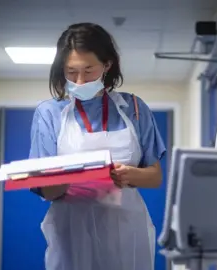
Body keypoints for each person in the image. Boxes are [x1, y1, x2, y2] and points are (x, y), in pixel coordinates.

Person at [29, 22, 166, 270]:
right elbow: (45, 190)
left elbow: (155, 177)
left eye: (89, 71)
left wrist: (129, 174)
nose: (80, 81)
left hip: (126, 232)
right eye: (71, 72)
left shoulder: (134, 108)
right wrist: (72, 176)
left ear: (107, 65)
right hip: (70, 235)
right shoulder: (48, 114)